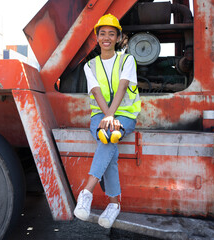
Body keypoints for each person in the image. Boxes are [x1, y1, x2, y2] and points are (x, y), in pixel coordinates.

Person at [73, 14, 141, 228]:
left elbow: (122, 87)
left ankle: (87, 191)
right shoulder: (90, 65)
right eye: (102, 33)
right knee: (108, 138)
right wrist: (107, 116)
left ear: (118, 37)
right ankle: (114, 204)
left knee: (108, 136)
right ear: (97, 37)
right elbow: (96, 91)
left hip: (126, 116)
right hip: (99, 115)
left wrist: (112, 116)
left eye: (111, 34)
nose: (106, 38)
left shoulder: (127, 60)